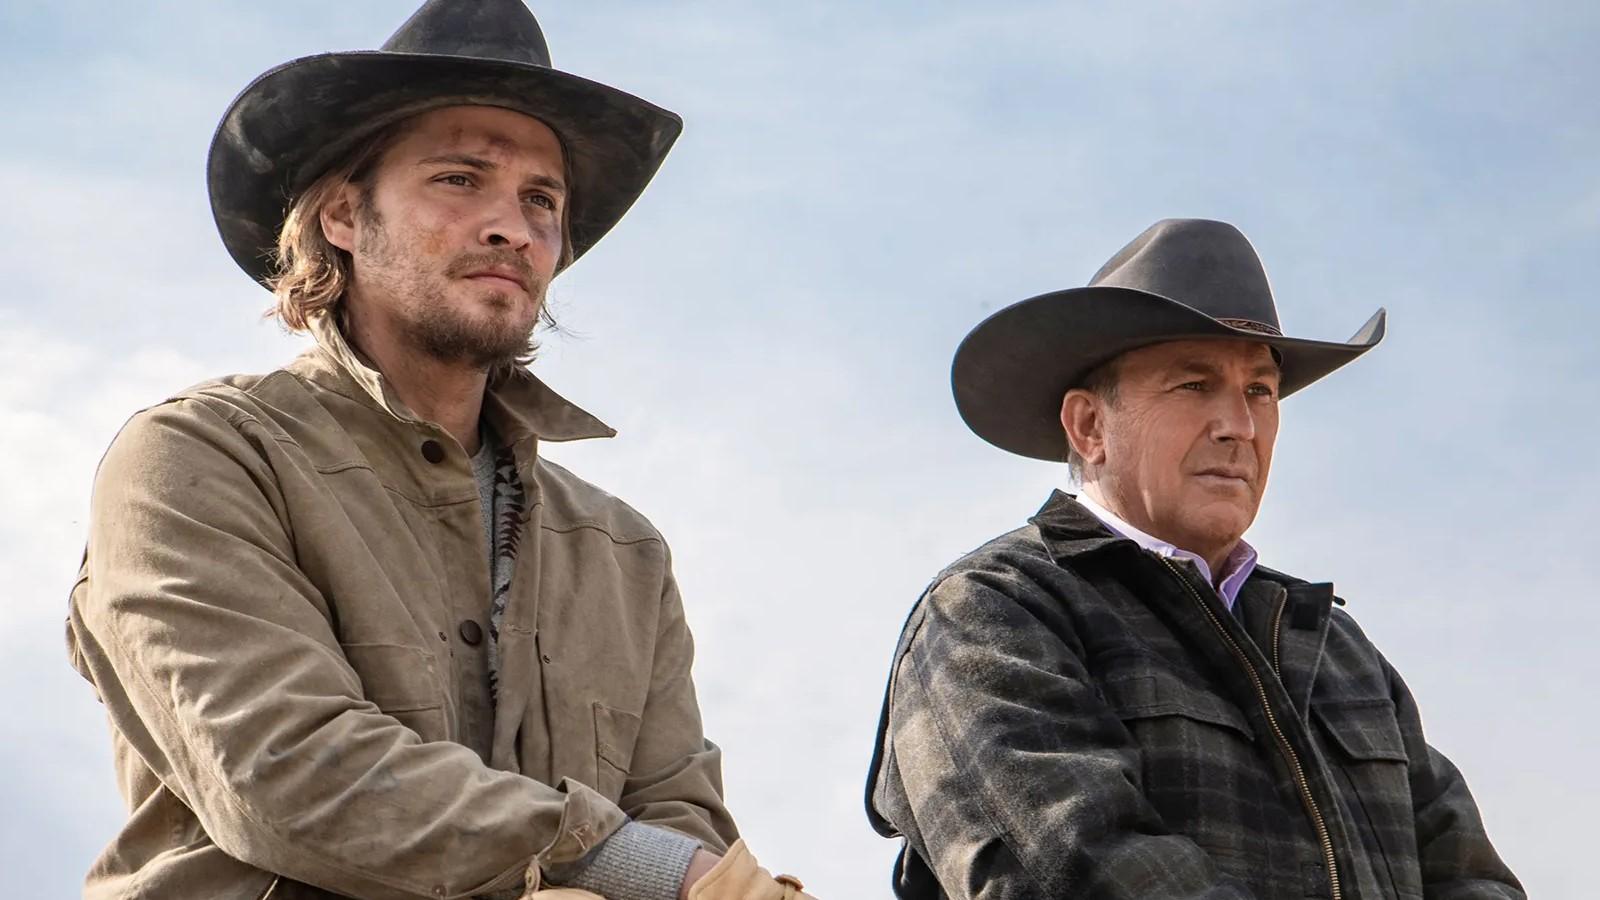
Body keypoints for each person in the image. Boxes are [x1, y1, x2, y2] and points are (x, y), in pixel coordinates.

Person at [66, 2, 811, 898]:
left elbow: (679, 815)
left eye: (542, 199)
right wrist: (630, 865)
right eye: (461, 180)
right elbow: (285, 769)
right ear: (342, 214)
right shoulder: (200, 458)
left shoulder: (624, 554)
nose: (514, 227)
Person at [864, 218, 1522, 899]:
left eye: (1259, 391)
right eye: (1193, 384)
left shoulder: (1336, 648)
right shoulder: (994, 612)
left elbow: (1471, 877)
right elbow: (1093, 873)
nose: (1239, 425)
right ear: (1091, 426)